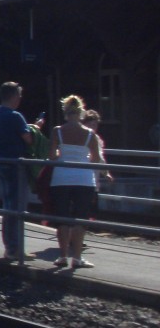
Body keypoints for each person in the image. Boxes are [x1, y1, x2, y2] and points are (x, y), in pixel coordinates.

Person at [50, 95, 108, 269]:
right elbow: (96, 159)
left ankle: (62, 257)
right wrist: (84, 157)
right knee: (80, 218)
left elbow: (52, 156)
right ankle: (77, 258)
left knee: (62, 218)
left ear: (65, 112)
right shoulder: (89, 134)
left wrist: (62, 155)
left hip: (61, 178)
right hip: (84, 179)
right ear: (81, 112)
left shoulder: (57, 131)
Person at [0, 82, 34, 261]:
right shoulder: (16, 116)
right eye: (19, 95)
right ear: (14, 96)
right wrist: (35, 128)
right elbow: (29, 139)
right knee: (17, 207)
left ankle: (10, 247)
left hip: (1, 161)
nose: (20, 99)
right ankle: (15, 249)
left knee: (8, 205)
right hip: (16, 164)